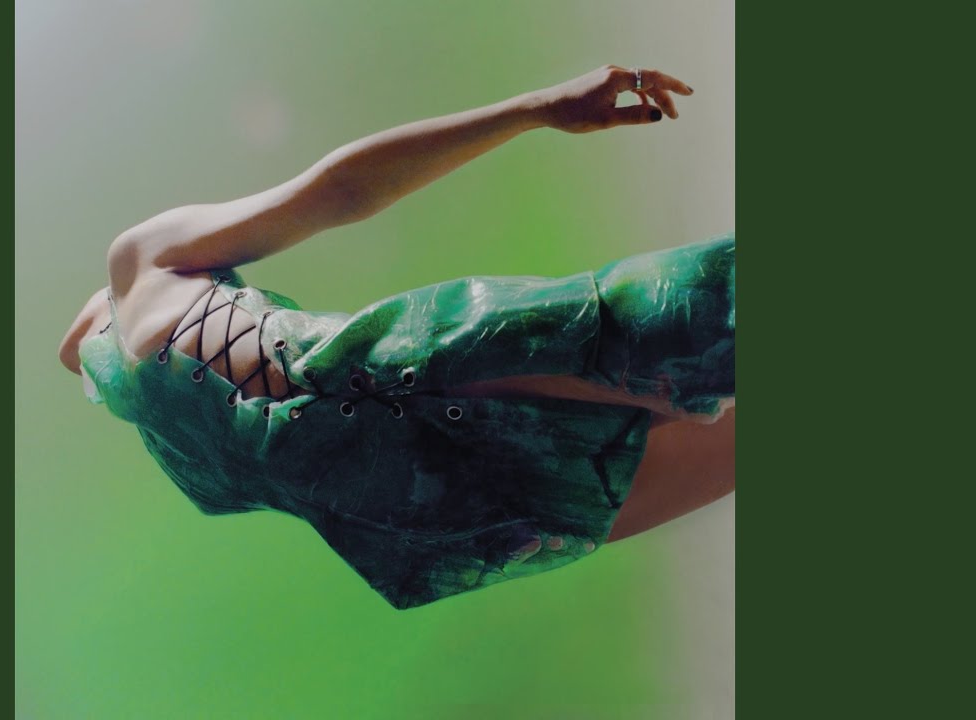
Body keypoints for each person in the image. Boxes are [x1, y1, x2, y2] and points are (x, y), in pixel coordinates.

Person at [59, 65, 734, 610]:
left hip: (418, 501)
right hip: (421, 434)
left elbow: (338, 191)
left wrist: (534, 110)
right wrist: (532, 110)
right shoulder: (140, 267)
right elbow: (334, 192)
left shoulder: (173, 433)